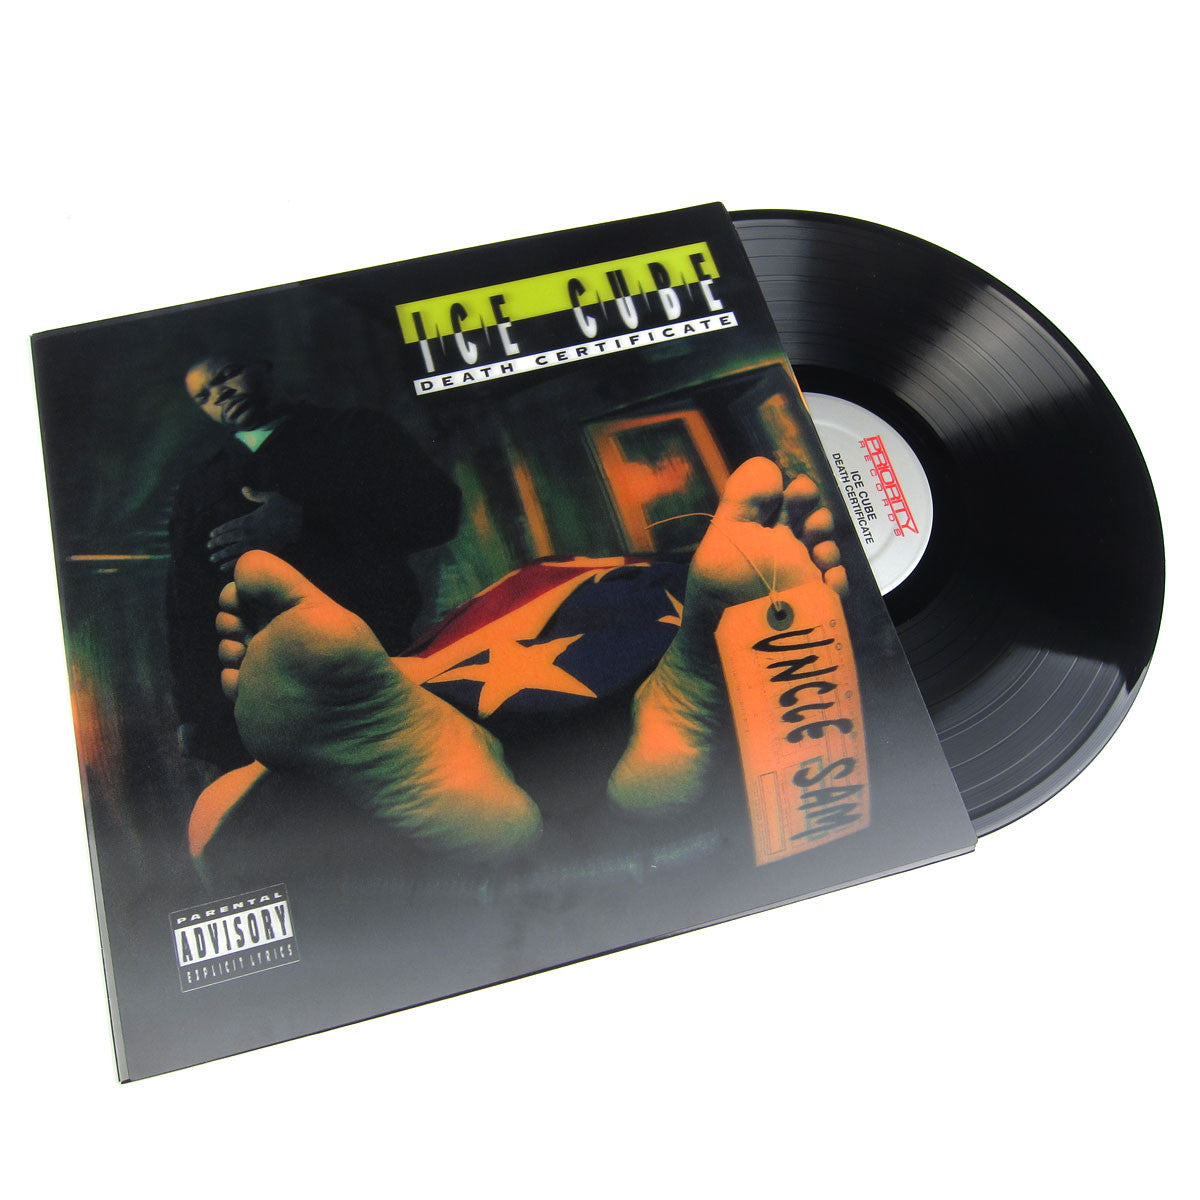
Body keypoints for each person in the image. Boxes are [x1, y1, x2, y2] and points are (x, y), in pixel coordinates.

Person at [187, 457, 848, 865]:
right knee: (643, 603)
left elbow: (429, 507)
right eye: (211, 389)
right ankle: (681, 688)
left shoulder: (294, 454)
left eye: (224, 380)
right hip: (638, 605)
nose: (223, 393)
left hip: (424, 659)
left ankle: (462, 742)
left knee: (220, 808)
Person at [167, 353, 461, 768]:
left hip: (385, 655)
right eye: (204, 396)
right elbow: (187, 606)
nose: (221, 394)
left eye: (228, 375)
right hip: (275, 693)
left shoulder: (356, 432)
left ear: (264, 366)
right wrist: (195, 710)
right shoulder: (200, 487)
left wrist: (309, 520)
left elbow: (439, 512)